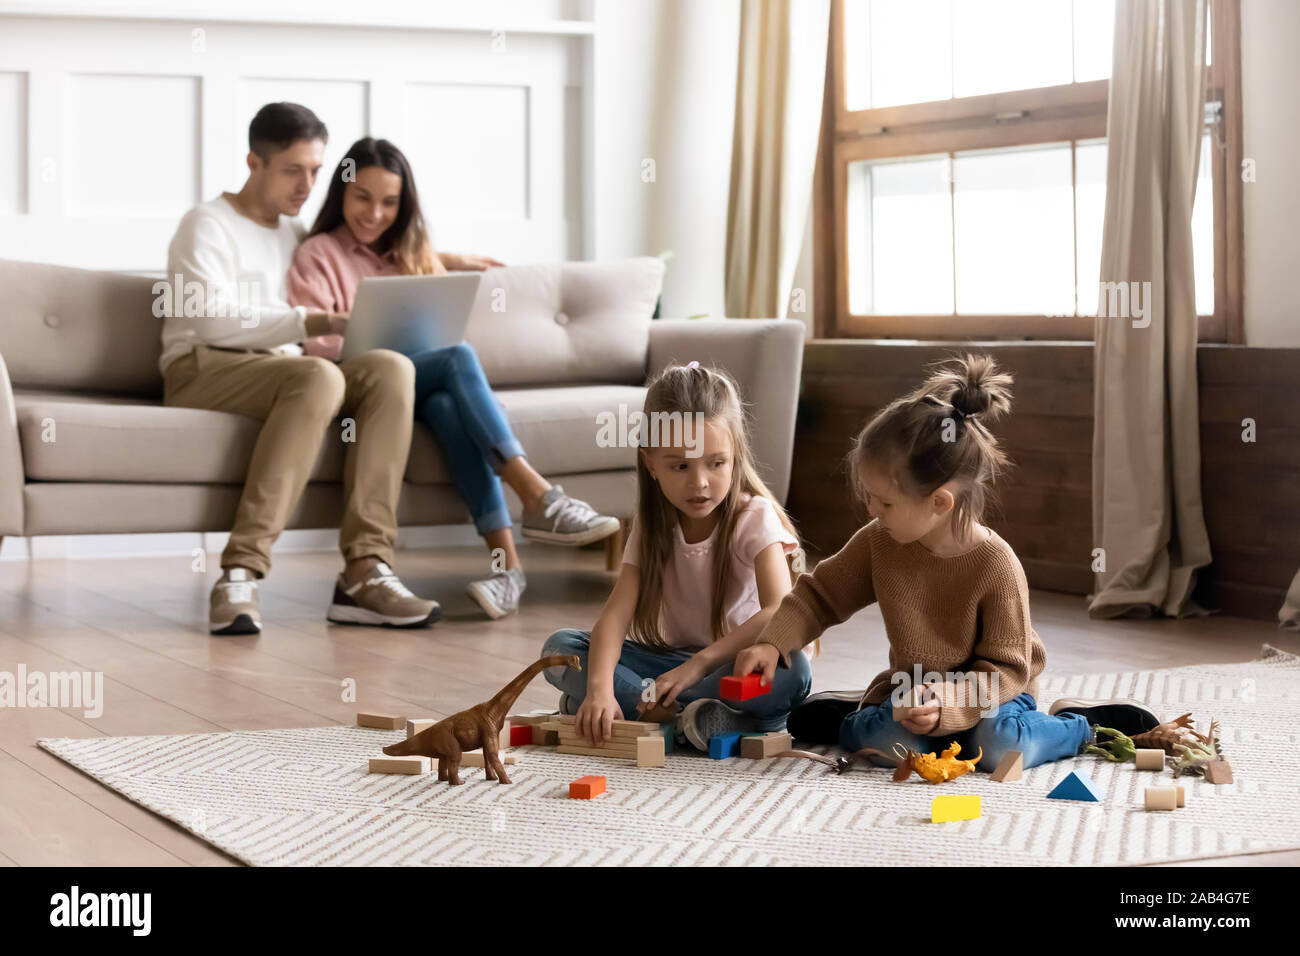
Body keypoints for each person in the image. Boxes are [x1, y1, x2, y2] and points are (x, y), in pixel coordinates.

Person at [733, 354, 1162, 771]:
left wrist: (950, 704)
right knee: (890, 748)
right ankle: (861, 710)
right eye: (868, 496)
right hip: (914, 695)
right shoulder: (880, 541)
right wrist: (773, 642)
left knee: (999, 749)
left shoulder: (996, 564)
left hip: (994, 699)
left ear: (939, 502)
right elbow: (819, 596)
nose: (871, 510)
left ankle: (1082, 727)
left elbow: (1008, 671)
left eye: (884, 501)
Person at [285, 137, 620, 620]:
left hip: (419, 391)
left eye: (389, 202)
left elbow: (439, 322)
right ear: (341, 193)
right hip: (361, 387)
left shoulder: (412, 254)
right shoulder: (316, 254)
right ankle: (539, 496)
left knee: (446, 407)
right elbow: (317, 343)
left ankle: (509, 571)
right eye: (362, 197)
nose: (374, 213)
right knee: (459, 358)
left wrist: (452, 260)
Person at [161, 104, 438, 636]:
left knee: (390, 369)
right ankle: (240, 570)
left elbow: (365, 246)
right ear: (254, 162)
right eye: (293, 170)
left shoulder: (293, 232)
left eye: (316, 171)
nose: (307, 184)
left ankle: (365, 571)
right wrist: (312, 317)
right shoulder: (206, 224)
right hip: (201, 367)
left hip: (281, 372)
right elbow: (210, 321)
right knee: (319, 375)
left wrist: (456, 256)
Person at [539, 363, 812, 752]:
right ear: (650, 462)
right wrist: (600, 688)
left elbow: (780, 610)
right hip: (668, 669)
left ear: (735, 454)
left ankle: (646, 711)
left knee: (793, 671)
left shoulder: (754, 517)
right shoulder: (652, 529)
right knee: (560, 648)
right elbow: (614, 618)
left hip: (730, 667)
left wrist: (697, 665)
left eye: (716, 463)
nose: (699, 482)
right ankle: (688, 718)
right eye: (680, 466)